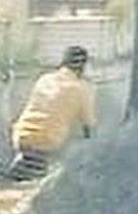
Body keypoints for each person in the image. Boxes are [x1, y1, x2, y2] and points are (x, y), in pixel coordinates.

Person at [10, 43, 94, 177]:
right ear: (83, 67)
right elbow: (89, 126)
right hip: (48, 141)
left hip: (21, 136)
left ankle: (23, 164)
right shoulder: (81, 89)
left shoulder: (44, 79)